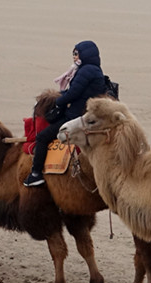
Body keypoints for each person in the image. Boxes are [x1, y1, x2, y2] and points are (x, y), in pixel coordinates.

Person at [23, 41, 107, 187]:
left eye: (76, 54)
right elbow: (74, 91)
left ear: (85, 54)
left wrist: (58, 102)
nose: (74, 57)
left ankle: (36, 174)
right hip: (83, 113)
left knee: (42, 137)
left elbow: (73, 93)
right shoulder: (93, 70)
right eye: (73, 54)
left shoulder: (86, 71)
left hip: (75, 116)